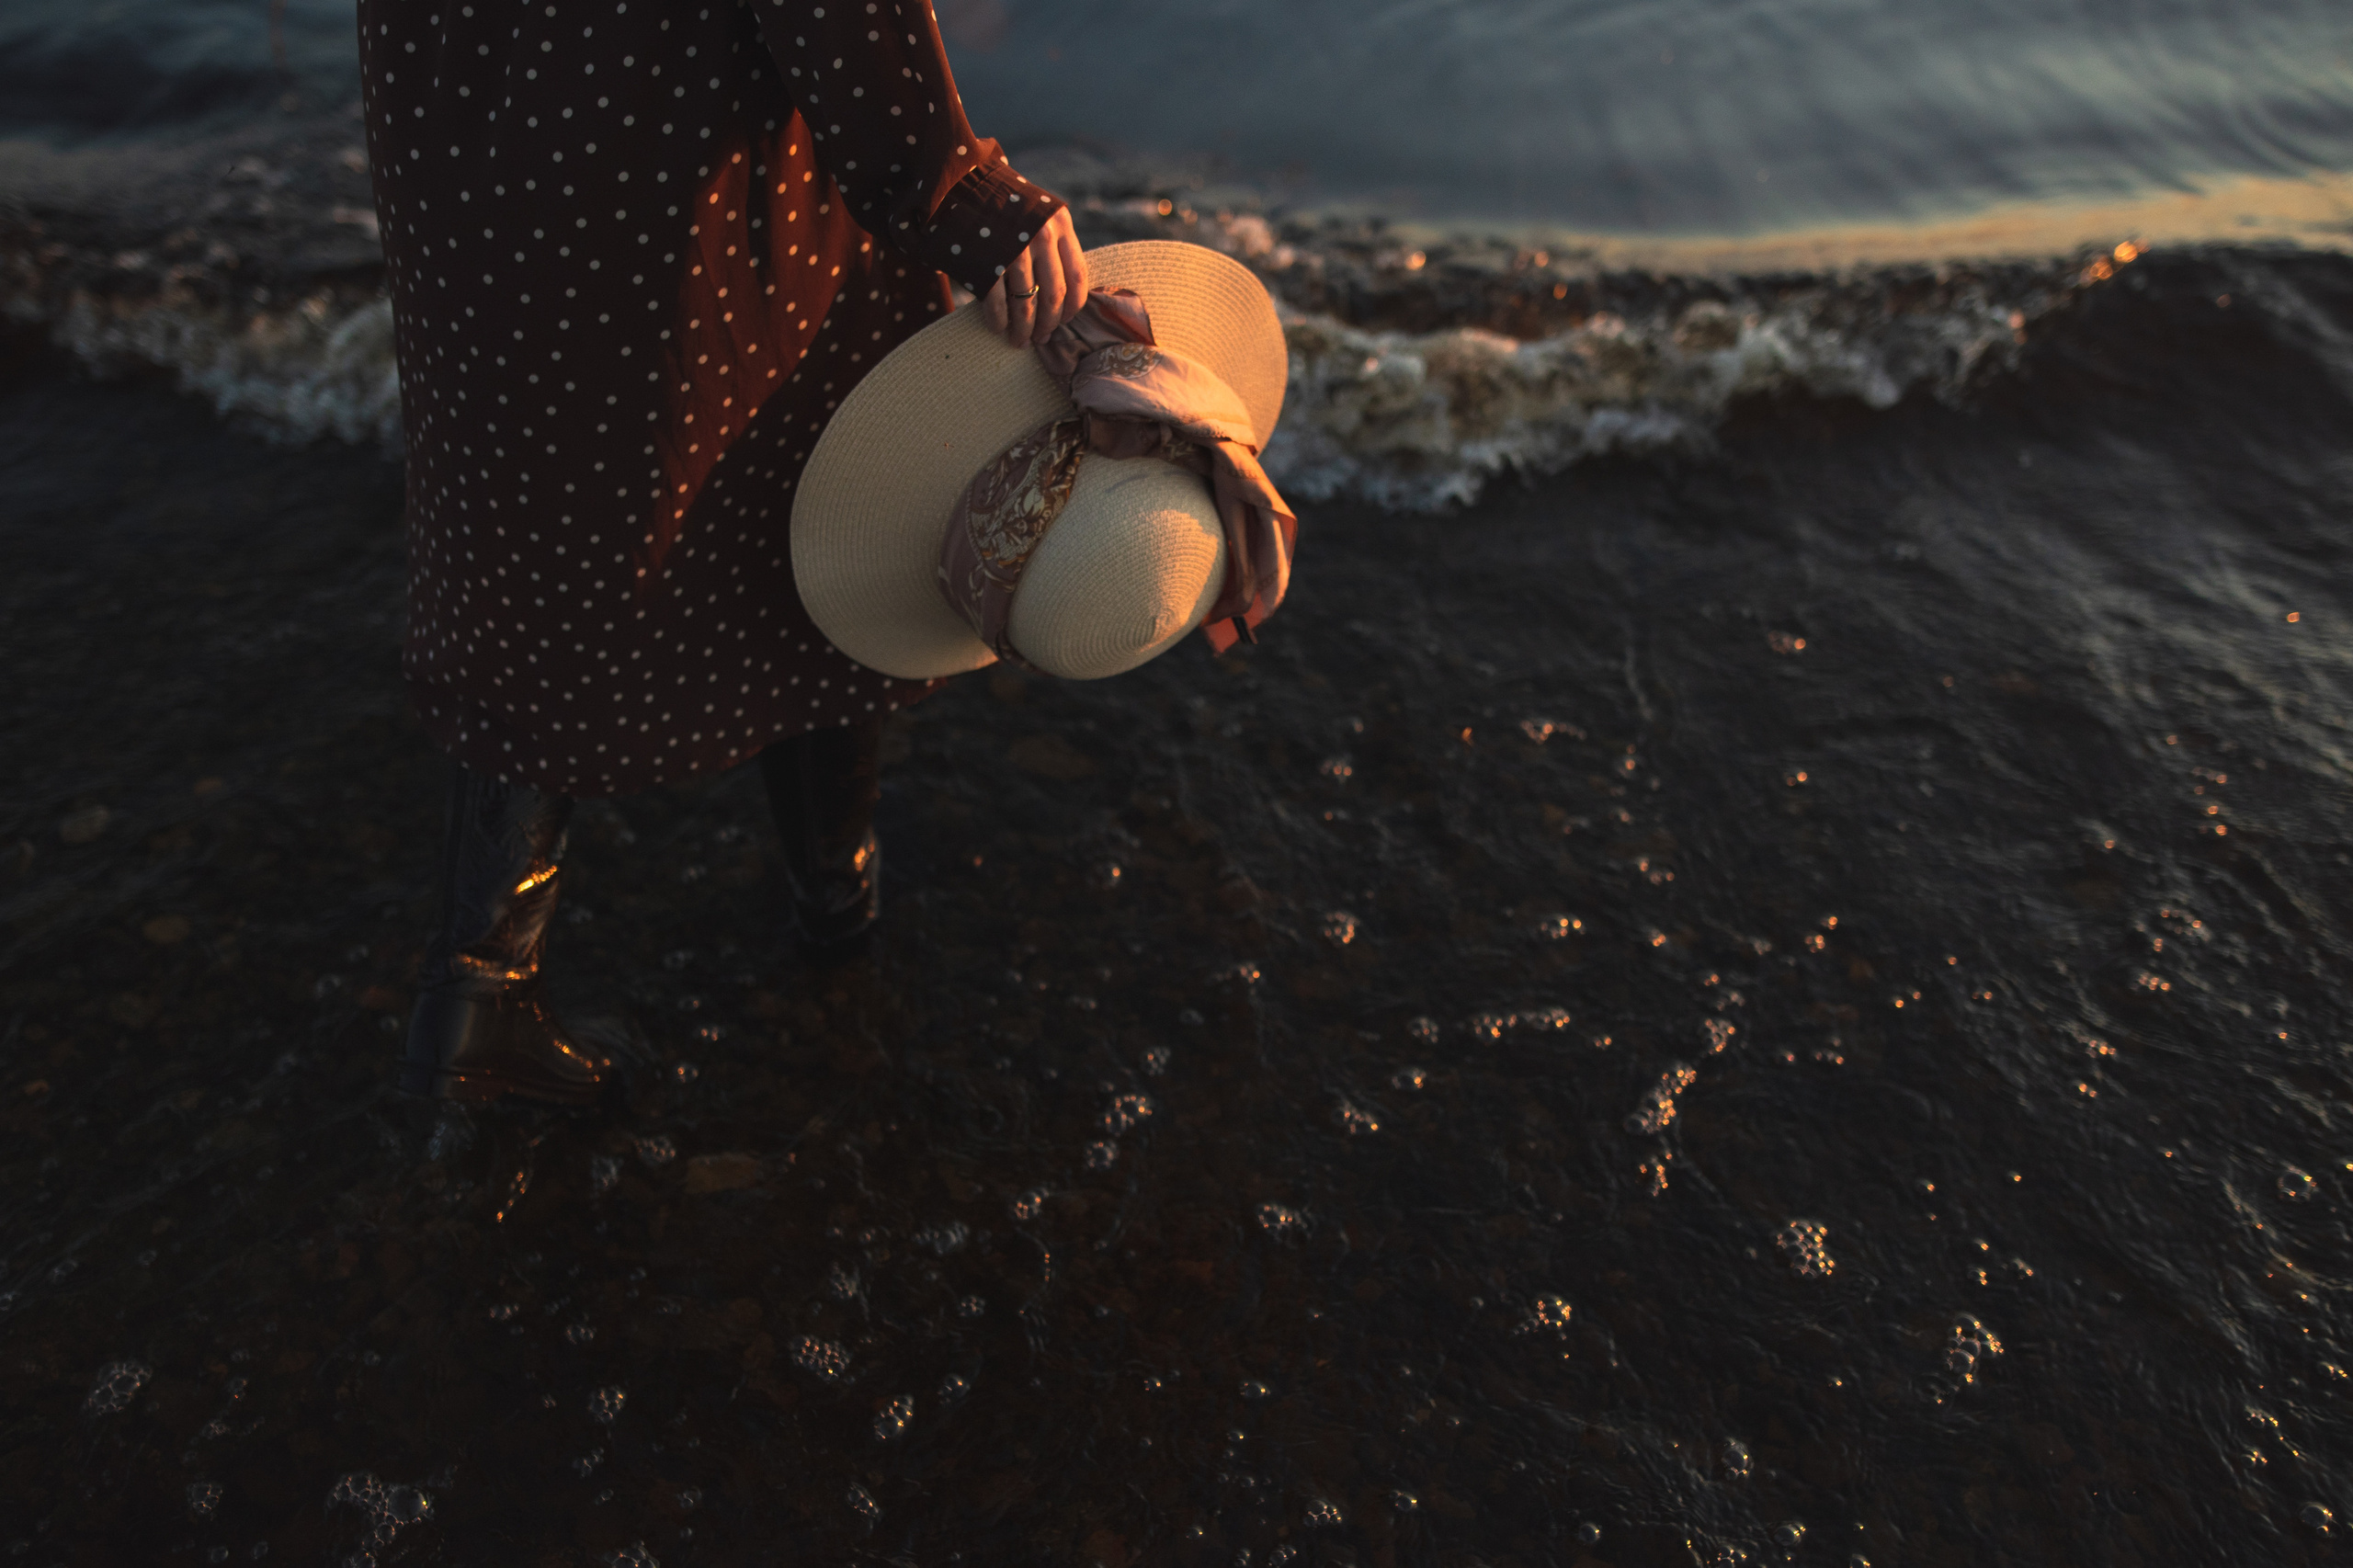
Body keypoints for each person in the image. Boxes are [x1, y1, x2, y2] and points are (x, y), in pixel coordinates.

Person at [358, 0, 1087, 1106]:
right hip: (684, 175)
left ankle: (477, 996)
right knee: (823, 478)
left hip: (483, 161)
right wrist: (972, 201)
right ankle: (832, 897)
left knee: (536, 542)